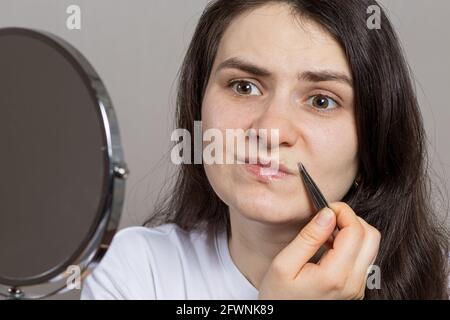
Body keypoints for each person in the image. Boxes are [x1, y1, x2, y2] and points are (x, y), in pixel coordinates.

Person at [81, 0, 449, 300]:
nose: (270, 131)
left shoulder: (442, 281)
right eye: (244, 87)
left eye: (321, 101)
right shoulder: (136, 271)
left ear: (374, 136)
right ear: (198, 108)